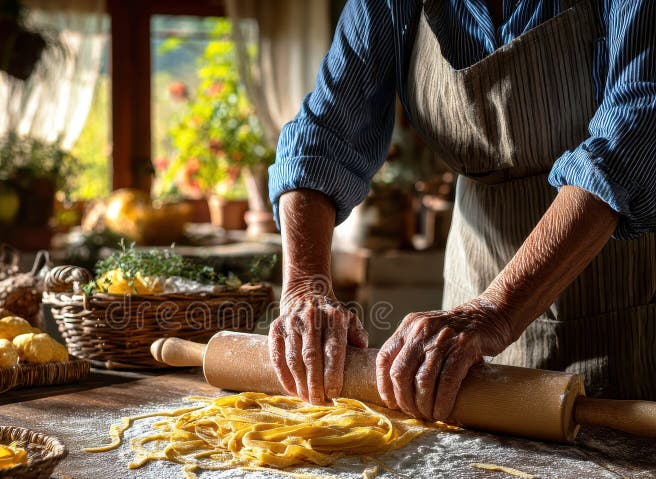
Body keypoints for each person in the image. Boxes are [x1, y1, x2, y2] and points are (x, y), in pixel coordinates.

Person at [267, 0, 656, 422]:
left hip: (622, 294)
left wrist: (496, 311)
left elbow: (635, 132)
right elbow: (322, 136)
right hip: (471, 288)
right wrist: (304, 286)